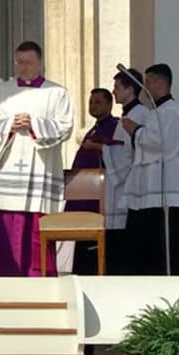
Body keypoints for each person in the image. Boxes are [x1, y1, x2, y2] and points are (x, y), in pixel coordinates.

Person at [0, 41, 74, 277]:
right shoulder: (2, 92)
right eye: (19, 62)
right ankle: (5, 273)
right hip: (9, 166)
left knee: (36, 226)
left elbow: (65, 127)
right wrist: (10, 125)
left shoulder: (57, 93)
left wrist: (34, 124)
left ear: (40, 62)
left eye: (28, 63)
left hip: (40, 170)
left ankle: (38, 273)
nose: (23, 68)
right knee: (8, 223)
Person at [120, 63, 179, 274]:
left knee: (167, 251)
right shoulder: (158, 111)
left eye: (147, 83)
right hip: (148, 192)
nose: (145, 88)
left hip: (166, 195)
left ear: (160, 83)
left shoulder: (172, 111)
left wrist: (135, 130)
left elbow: (162, 144)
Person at [58, 88, 117, 274]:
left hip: (98, 193)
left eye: (98, 102)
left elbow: (117, 155)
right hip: (82, 191)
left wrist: (98, 147)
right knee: (80, 237)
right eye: (91, 102)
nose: (93, 106)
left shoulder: (115, 126)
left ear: (109, 104)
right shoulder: (93, 128)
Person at [100, 67, 149, 275]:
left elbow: (136, 150)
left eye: (117, 87)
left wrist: (105, 147)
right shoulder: (127, 115)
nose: (114, 91)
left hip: (129, 182)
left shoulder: (142, 114)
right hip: (116, 184)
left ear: (130, 89)